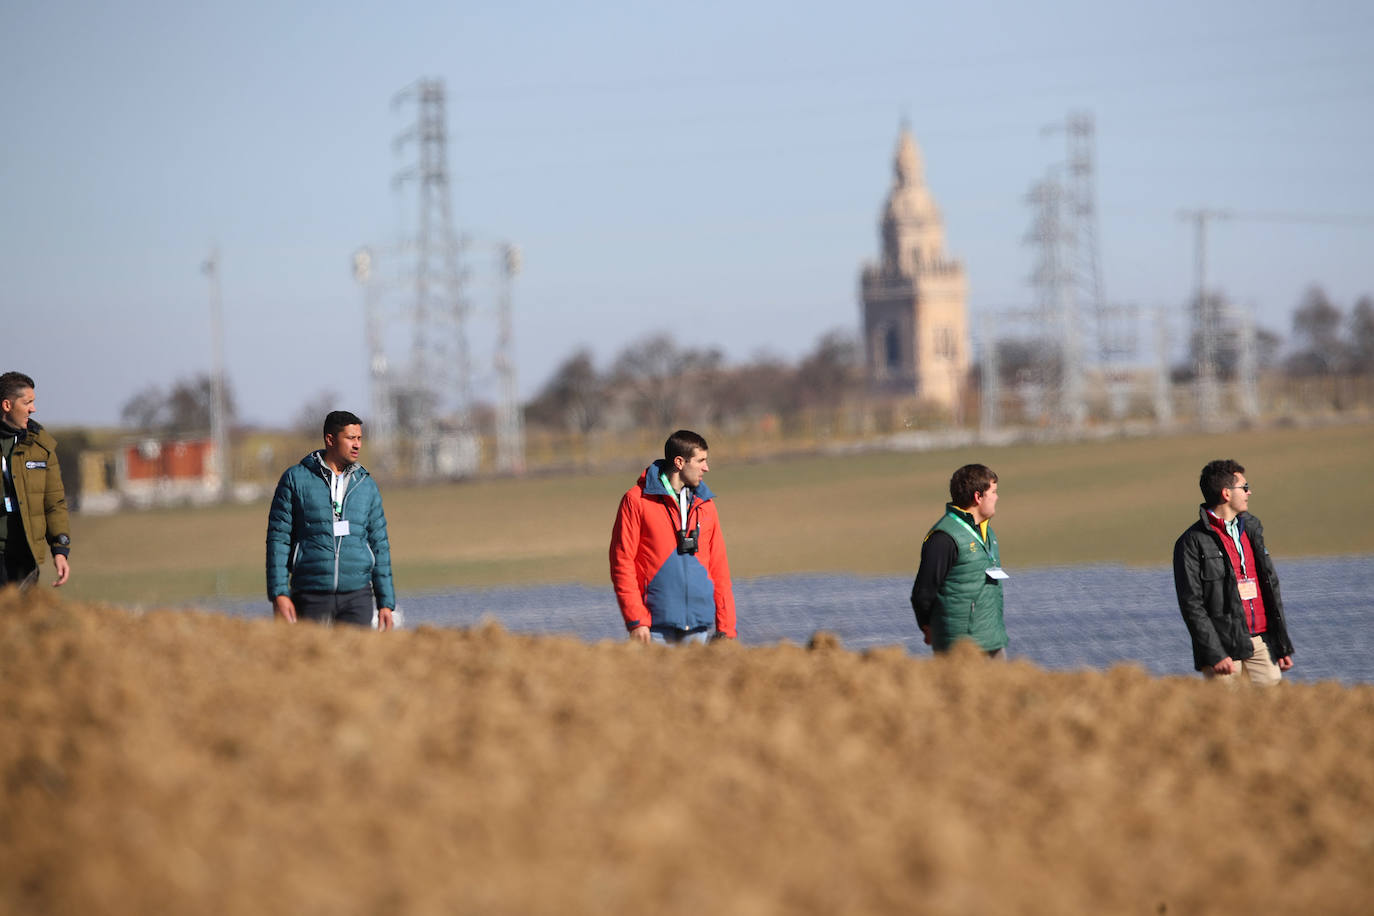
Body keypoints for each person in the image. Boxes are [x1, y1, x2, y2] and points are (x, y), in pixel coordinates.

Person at [266, 410, 395, 630]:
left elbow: (379, 544)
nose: (357, 445)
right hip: (310, 595)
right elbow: (278, 540)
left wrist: (386, 602)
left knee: (355, 662)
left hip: (358, 596)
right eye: (350, 438)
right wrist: (279, 592)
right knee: (312, 661)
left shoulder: (366, 485)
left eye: (359, 438)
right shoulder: (295, 479)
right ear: (330, 439)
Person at [610, 429, 737, 644]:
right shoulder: (636, 501)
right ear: (679, 462)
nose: (706, 467)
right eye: (701, 461)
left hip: (699, 629)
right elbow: (622, 562)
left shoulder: (706, 505)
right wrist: (636, 619)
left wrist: (726, 628)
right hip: (653, 630)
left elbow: (719, 569)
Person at [1173, 459, 1294, 685]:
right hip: (1223, 651)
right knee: (1225, 718)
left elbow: (1270, 588)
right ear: (1226, 493)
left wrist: (1281, 644)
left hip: (1262, 644)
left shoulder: (1252, 530)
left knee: (1274, 714)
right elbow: (1191, 604)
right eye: (1245, 487)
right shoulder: (1191, 542)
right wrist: (1214, 653)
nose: (1250, 492)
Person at [909, 463, 1008, 657]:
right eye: (993, 492)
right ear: (978, 497)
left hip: (993, 641)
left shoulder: (988, 534)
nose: (997, 497)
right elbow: (923, 592)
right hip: (960, 649)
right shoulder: (944, 538)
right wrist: (927, 627)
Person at [0, 371, 71, 589]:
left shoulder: (41, 446)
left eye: (33, 402)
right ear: (7, 405)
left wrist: (60, 550)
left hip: (25, 556)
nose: (33, 408)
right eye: (27, 402)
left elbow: (54, 503)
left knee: (23, 621)